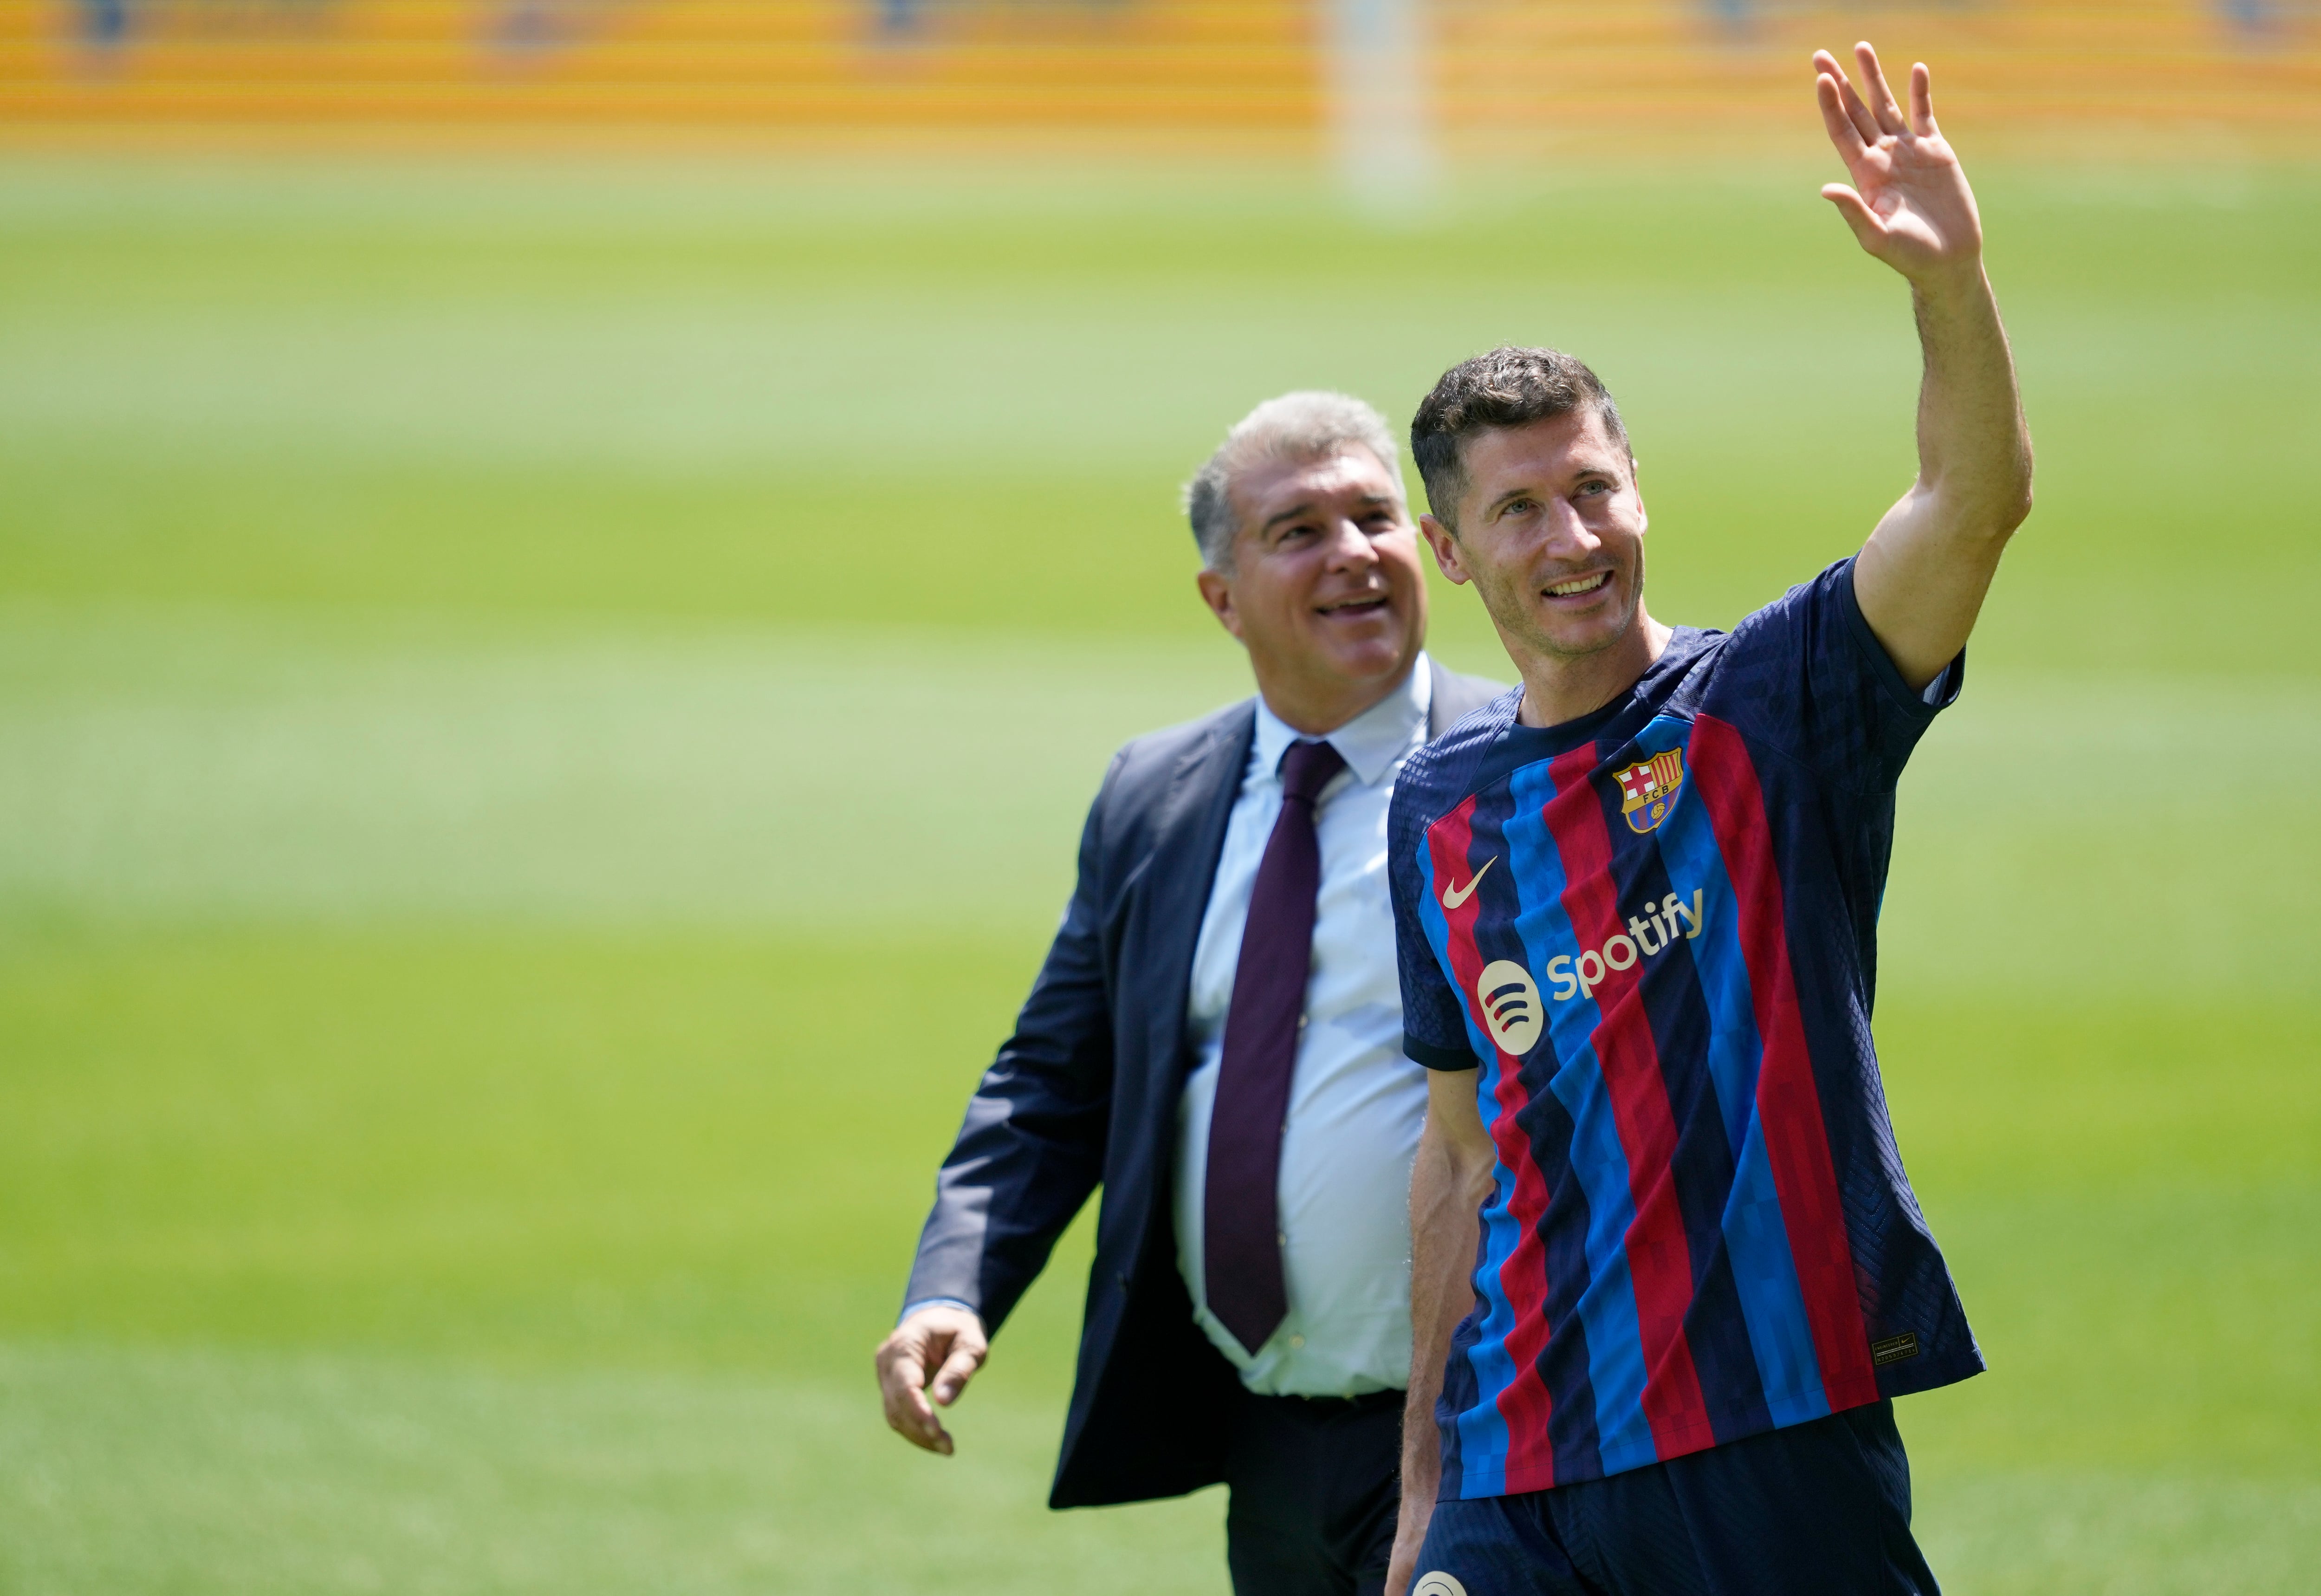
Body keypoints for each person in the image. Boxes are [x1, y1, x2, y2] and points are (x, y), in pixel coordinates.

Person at [1381, 45, 2033, 1596]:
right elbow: (1463, 1156)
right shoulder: (1439, 811)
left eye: (1594, 488)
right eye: (1522, 509)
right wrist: (1420, 1487)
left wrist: (1949, 286)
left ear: (1640, 491)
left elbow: (1973, 503)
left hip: (1768, 1433)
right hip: (1517, 1462)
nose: (1574, 536)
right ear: (1453, 554)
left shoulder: (1774, 706)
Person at [879, 392, 1503, 1595]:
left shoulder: (1527, 768)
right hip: (1263, 1434)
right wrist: (954, 1285)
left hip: (1490, 1429)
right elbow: (1056, 1075)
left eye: (1376, 516)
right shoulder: (1155, 794)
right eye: (1299, 530)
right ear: (1223, 599)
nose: (1353, 554)